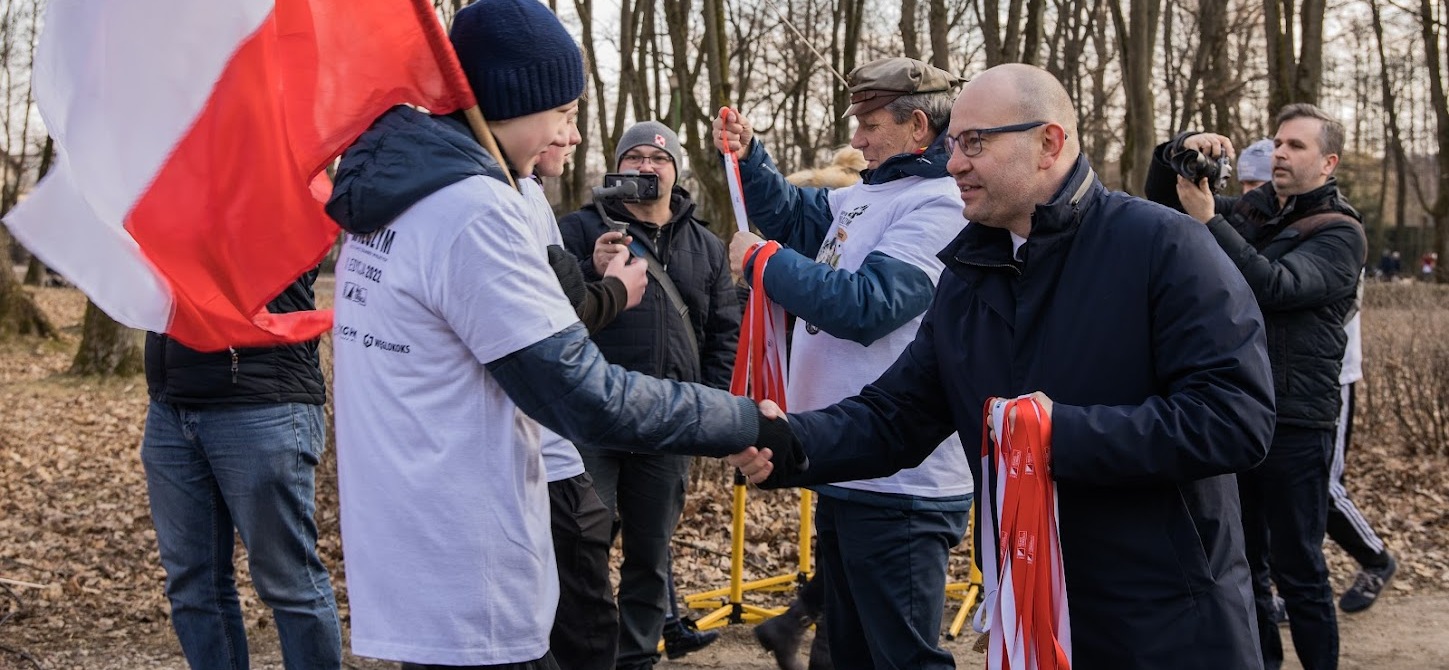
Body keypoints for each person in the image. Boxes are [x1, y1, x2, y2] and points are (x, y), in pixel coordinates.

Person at [726, 63, 1276, 669]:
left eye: (975, 143)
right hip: (1028, 617)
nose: (955, 161)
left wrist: (1055, 435)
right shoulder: (969, 274)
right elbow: (898, 415)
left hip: (1166, 622)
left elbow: (1235, 417)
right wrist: (789, 440)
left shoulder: (1164, 247)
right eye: (954, 142)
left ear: (1049, 143)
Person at [324, 2, 794, 667]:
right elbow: (586, 393)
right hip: (472, 562)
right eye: (565, 111)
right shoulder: (471, 208)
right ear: (521, 102)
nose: (569, 131)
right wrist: (741, 417)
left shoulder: (395, 196)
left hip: (415, 552)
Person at [716, 56, 972, 670]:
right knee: (851, 653)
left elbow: (867, 306)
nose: (855, 139)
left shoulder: (940, 205)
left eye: (870, 124)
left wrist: (763, 264)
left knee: (900, 658)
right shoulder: (871, 193)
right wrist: (752, 158)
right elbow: (798, 217)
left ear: (917, 128)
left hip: (902, 483)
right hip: (849, 464)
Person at [1145, 103, 1367, 670]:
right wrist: (1182, 148)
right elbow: (1163, 202)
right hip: (1241, 413)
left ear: (1328, 162)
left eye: (1295, 146)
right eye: (1277, 142)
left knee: (1301, 571)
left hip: (1297, 422)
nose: (1280, 154)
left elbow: (1276, 285)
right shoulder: (1254, 209)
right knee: (1245, 566)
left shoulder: (1341, 233)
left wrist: (1211, 222)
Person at [556, 120, 738, 670]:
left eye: (658, 159)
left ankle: (636, 658)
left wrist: (707, 409)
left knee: (650, 557)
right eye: (633, 157)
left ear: (676, 170)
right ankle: (576, 656)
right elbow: (546, 317)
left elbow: (724, 333)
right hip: (592, 419)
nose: (645, 167)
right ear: (617, 167)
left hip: (671, 422)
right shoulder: (576, 231)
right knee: (580, 550)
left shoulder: (705, 245)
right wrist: (592, 270)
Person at [141, 271, 342, 669]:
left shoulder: (284, 204)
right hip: (171, 406)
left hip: (262, 401)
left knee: (289, 580)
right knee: (192, 585)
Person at [1238, 145, 1397, 619]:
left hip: (1328, 378)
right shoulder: (1264, 217)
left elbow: (1283, 288)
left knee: (1321, 487)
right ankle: (1274, 590)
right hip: (1274, 385)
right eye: (1245, 186)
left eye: (1257, 183)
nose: (1252, 194)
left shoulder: (1333, 229)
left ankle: (1375, 558)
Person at [529, 112, 644, 670]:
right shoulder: (521, 203)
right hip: (567, 440)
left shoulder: (525, 196)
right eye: (563, 120)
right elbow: (556, 320)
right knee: (582, 621)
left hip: (570, 441)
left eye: (658, 160)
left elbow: (718, 321)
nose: (574, 138)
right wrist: (614, 288)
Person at [1329, 291, 1397, 613]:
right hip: (1286, 377)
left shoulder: (1345, 239)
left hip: (1333, 373)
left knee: (1325, 486)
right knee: (1287, 489)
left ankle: (1376, 559)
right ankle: (1290, 587)